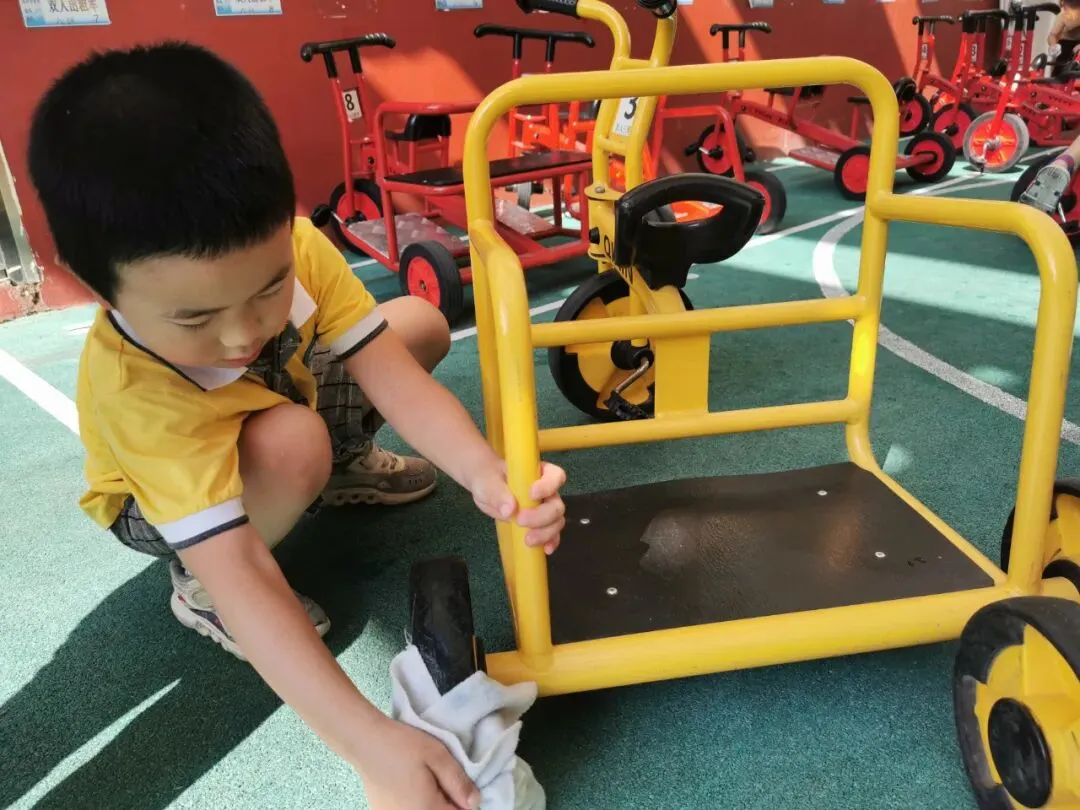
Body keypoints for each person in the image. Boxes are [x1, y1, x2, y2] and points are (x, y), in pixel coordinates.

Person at [27, 41, 567, 810]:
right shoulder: (133, 387)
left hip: (276, 411)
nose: (241, 332)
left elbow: (393, 376)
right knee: (291, 445)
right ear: (97, 289)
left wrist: (488, 474)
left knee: (414, 325)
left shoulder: (301, 248)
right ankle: (195, 590)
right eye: (194, 317)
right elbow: (243, 571)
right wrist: (372, 746)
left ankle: (336, 467)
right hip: (157, 507)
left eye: (269, 285)